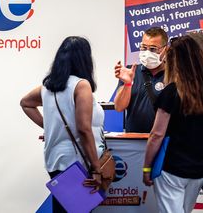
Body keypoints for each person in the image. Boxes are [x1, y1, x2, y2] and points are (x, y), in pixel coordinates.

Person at [20, 36, 104, 213]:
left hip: (56, 160)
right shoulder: (81, 86)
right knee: (78, 210)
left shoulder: (48, 87)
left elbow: (25, 103)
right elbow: (84, 128)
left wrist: (51, 129)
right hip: (78, 161)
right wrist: (96, 168)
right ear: (85, 59)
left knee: (64, 209)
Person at [143, 36, 203, 213]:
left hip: (171, 169)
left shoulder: (171, 92)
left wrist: (146, 167)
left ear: (173, 60)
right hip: (198, 170)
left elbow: (156, 135)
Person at [114, 27, 168, 133]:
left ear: (166, 49)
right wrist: (127, 84)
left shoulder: (174, 74)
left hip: (164, 140)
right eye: (143, 48)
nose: (147, 53)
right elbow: (119, 107)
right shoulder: (131, 72)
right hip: (134, 140)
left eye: (153, 49)